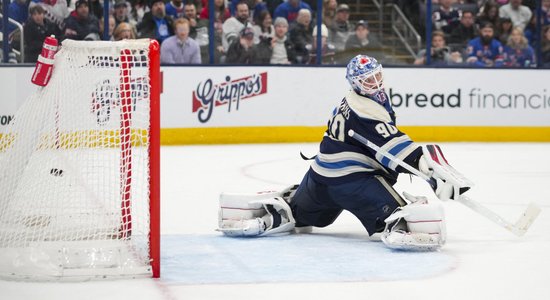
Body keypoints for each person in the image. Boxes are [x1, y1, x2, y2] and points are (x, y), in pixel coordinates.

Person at [218, 55, 465, 251]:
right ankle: (398, 225)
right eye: (368, 80)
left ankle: (279, 213)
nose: (376, 83)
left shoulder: (350, 100)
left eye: (377, 76)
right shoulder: (364, 108)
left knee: (302, 214)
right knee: (394, 217)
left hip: (319, 179)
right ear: (356, 83)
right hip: (354, 183)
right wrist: (431, 171)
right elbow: (397, 149)